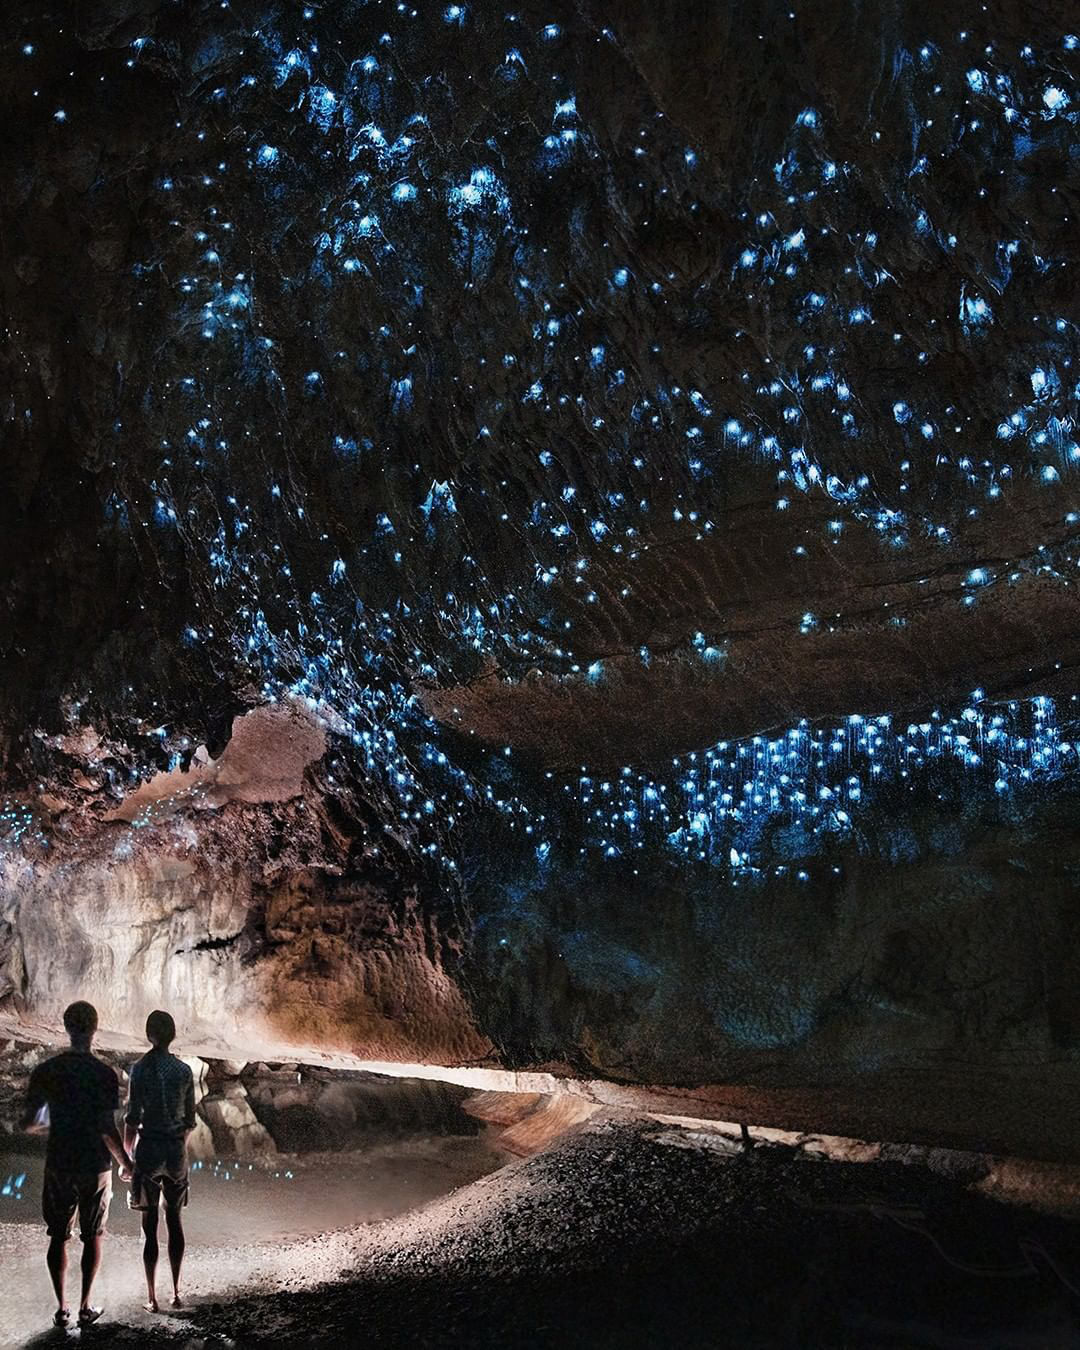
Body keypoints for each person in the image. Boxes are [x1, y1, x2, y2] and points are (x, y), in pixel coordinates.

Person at [19, 1000, 133, 1329]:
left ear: (66, 1028)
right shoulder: (104, 1074)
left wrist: (55, 1120)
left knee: (58, 1236)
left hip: (59, 1160)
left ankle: (61, 1309)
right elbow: (106, 1127)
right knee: (93, 1235)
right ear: (94, 1030)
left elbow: (29, 1123)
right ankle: (85, 1306)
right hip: (94, 1165)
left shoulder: (47, 1072)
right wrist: (126, 1163)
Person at [124, 1010, 196, 1313]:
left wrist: (128, 1157)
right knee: (175, 1220)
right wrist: (180, 1146)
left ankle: (152, 1298)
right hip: (175, 1149)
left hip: (149, 1149)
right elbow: (190, 1121)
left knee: (150, 1222)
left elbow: (132, 1118)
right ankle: (177, 1293)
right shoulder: (183, 1071)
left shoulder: (139, 1069)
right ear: (172, 1035)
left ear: (149, 1035)